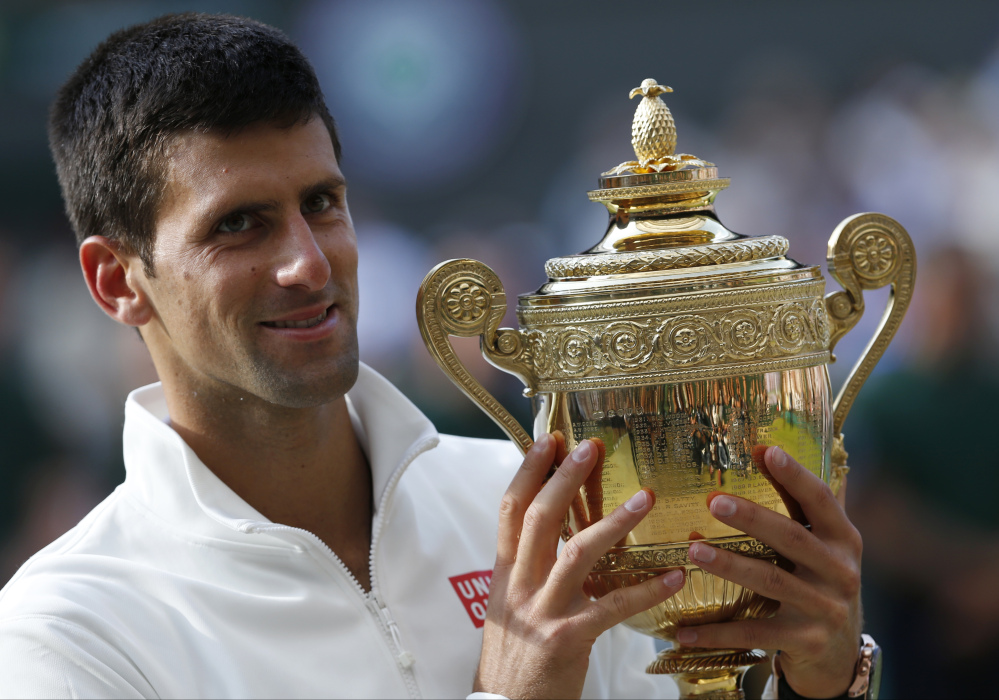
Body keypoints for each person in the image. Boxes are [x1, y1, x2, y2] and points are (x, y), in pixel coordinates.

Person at [0, 13, 867, 699]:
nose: (308, 261)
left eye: (322, 202)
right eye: (238, 225)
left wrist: (823, 681)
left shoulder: (541, 504)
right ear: (117, 280)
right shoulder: (66, 631)